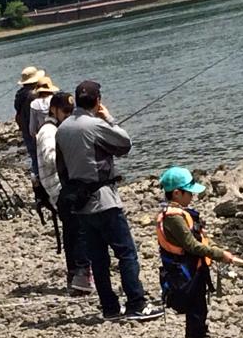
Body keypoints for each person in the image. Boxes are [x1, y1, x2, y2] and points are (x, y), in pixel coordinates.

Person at [55, 79, 163, 321]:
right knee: (126, 253)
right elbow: (125, 144)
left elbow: (61, 168)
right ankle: (136, 303)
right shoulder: (95, 125)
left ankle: (110, 308)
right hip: (104, 200)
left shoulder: (62, 129)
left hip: (80, 203)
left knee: (98, 258)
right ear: (98, 101)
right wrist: (109, 118)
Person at [156, 167, 237, 338]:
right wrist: (221, 254)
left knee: (197, 314)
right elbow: (192, 246)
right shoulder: (173, 217)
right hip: (187, 275)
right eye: (189, 192)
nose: (192, 196)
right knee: (197, 314)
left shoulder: (177, 213)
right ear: (176, 193)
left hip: (192, 272)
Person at [36, 91, 92, 294]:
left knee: (73, 232)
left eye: (71, 111)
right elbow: (51, 158)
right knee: (77, 231)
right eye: (65, 111)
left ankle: (76, 277)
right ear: (54, 110)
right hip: (59, 189)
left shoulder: (57, 129)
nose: (68, 115)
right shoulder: (49, 131)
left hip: (61, 187)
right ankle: (80, 276)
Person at [14, 66, 44, 175]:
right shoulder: (34, 95)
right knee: (41, 159)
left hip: (26, 131)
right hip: (35, 131)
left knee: (34, 158)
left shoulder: (19, 95)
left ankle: (36, 181)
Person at [28, 76, 59, 143]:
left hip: (43, 136)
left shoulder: (34, 104)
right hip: (58, 133)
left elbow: (32, 129)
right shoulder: (56, 100)